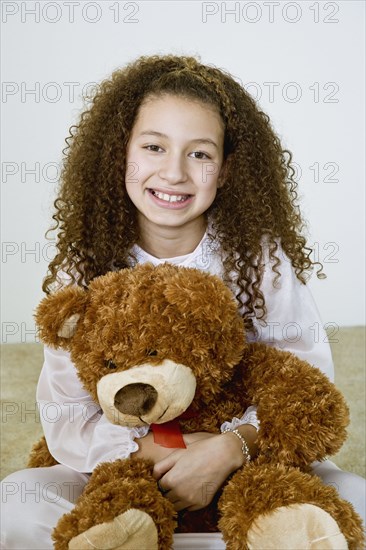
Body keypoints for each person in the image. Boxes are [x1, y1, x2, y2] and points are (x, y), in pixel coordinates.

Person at [1, 54, 364, 549]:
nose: (173, 173)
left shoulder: (258, 258)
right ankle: (130, 528)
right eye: (153, 147)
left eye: (199, 154)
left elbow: (305, 378)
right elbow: (67, 411)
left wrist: (226, 450)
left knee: (355, 502)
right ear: (119, 154)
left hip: (246, 459)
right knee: (18, 500)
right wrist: (159, 451)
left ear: (227, 169)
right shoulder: (85, 266)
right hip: (124, 465)